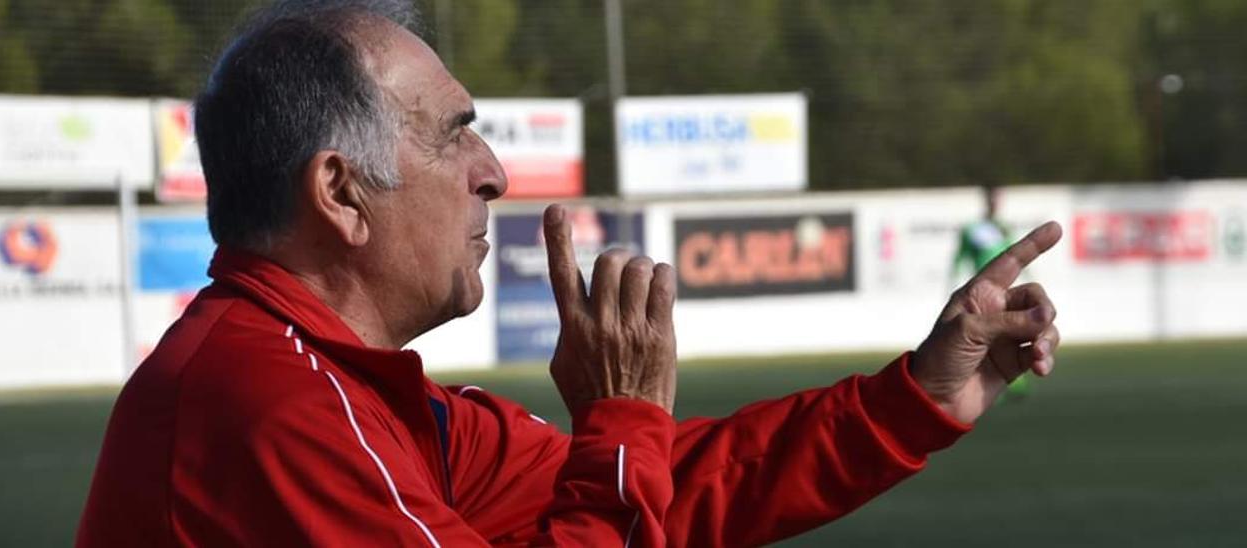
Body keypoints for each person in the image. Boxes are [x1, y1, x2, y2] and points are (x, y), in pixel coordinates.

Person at [77, 2, 1063, 546]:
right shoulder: (269, 404)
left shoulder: (361, 398)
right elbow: (627, 476)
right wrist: (620, 415)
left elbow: (668, 487)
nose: (495, 174)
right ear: (340, 191)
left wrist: (914, 398)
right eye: (456, 136)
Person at [950, 184, 1030, 399]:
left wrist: (1029, 274)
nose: (996, 203)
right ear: (986, 201)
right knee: (984, 335)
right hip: (982, 289)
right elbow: (961, 256)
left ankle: (1015, 382)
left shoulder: (1003, 227)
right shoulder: (973, 229)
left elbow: (1015, 253)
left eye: (998, 199)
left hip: (1005, 287)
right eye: (993, 199)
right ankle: (990, 385)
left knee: (1009, 332)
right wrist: (954, 280)